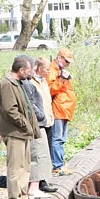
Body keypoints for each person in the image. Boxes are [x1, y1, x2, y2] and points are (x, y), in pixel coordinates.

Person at [0, 55, 41, 199]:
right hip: (15, 131)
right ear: (21, 70)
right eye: (28, 70)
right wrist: (25, 124)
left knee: (25, 165)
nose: (30, 73)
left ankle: (22, 195)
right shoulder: (7, 84)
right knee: (16, 167)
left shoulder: (18, 83)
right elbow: (10, 110)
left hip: (22, 132)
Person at [31, 57, 58, 192]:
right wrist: (41, 116)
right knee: (39, 153)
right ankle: (40, 182)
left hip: (49, 120)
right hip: (39, 122)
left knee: (47, 152)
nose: (49, 72)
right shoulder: (31, 82)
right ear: (40, 69)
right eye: (47, 69)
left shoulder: (44, 82)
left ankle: (45, 179)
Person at [48, 48, 76, 175]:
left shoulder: (60, 70)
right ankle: (57, 166)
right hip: (58, 109)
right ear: (59, 58)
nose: (67, 64)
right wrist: (62, 80)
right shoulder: (52, 70)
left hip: (65, 109)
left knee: (61, 139)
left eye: (69, 62)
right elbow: (50, 91)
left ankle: (60, 164)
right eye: (66, 61)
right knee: (57, 139)